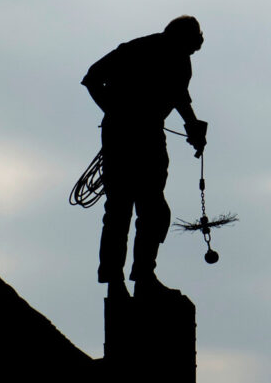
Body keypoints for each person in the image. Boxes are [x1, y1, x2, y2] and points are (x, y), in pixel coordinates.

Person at [82, 15, 208, 299]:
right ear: (179, 38)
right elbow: (92, 78)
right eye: (189, 47)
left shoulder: (181, 60)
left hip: (151, 135)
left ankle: (143, 276)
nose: (189, 54)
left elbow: (179, 96)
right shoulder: (135, 49)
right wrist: (113, 111)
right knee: (120, 209)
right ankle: (115, 281)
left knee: (153, 211)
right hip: (123, 136)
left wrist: (193, 126)